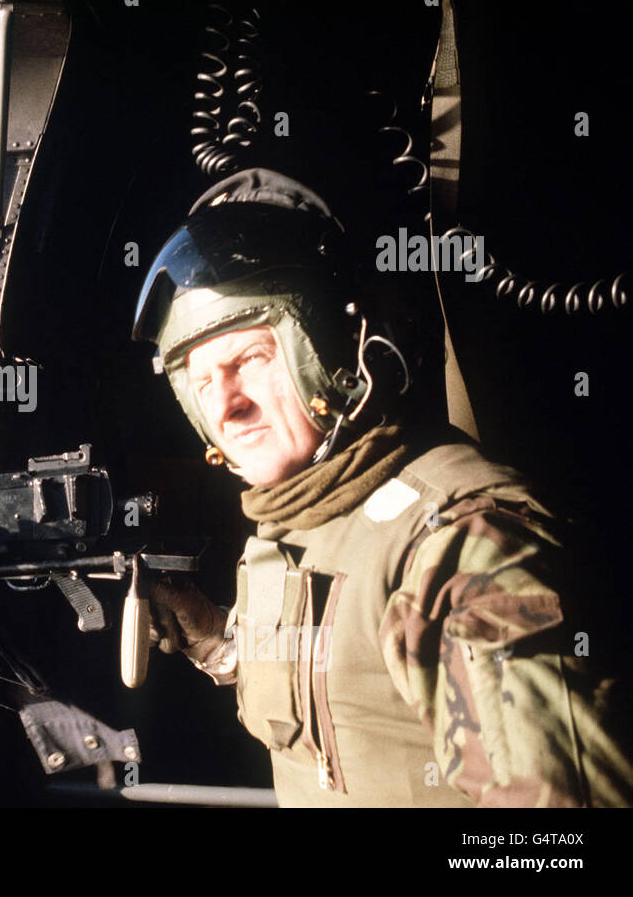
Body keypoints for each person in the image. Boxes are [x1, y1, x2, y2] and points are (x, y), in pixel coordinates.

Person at [131, 167, 632, 807]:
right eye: (201, 382)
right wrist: (213, 640)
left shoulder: (457, 547)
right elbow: (340, 688)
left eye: (250, 359)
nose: (227, 405)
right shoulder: (297, 523)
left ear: (333, 347)